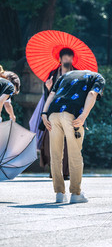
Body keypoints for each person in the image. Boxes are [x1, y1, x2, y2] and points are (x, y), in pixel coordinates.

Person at [41, 70, 105, 203]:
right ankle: (76, 193)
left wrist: (43, 113)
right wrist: (83, 116)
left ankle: (59, 193)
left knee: (56, 155)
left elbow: (52, 94)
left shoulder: (65, 76)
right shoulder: (98, 77)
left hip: (53, 113)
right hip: (72, 114)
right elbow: (92, 94)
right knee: (75, 154)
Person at [33, 48, 76, 180]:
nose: (68, 59)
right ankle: (55, 172)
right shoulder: (52, 74)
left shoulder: (77, 74)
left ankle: (66, 172)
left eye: (70, 57)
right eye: (65, 57)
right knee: (51, 143)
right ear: (60, 59)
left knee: (69, 143)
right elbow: (48, 96)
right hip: (54, 111)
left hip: (70, 111)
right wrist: (48, 88)